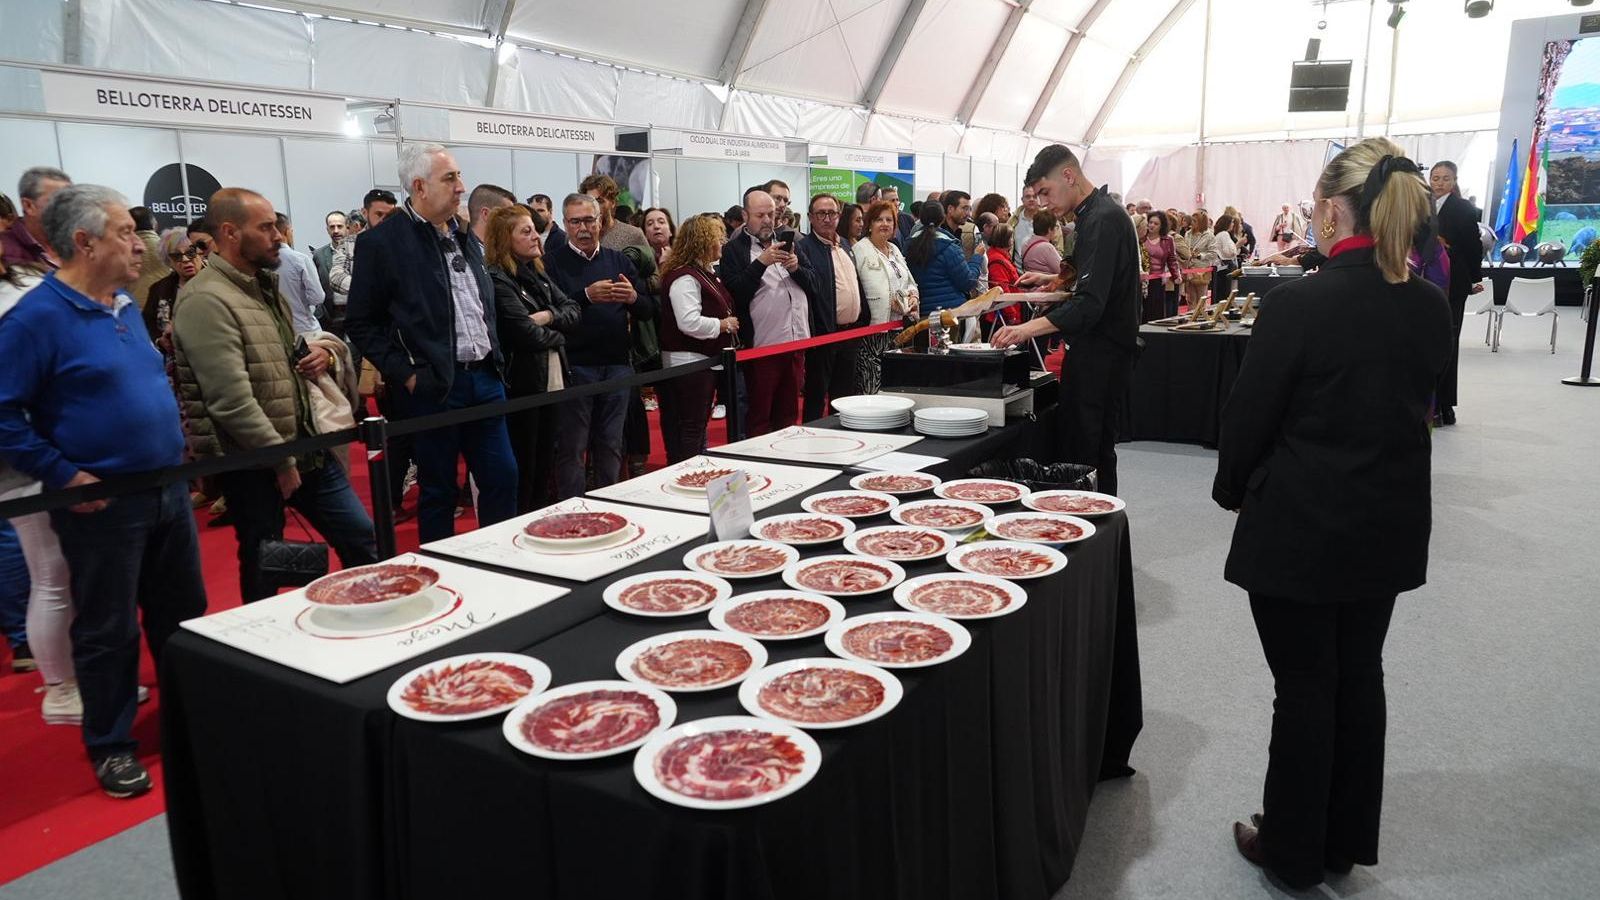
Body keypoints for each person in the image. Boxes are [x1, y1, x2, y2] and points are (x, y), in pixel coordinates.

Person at [1214, 138, 1452, 890]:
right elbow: (1426, 405)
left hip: (1302, 528)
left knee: (1306, 687)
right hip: (1384, 525)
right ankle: (1340, 842)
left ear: (1327, 208)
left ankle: (1290, 849)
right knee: (1358, 677)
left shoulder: (1300, 303)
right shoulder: (1427, 303)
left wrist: (1231, 489)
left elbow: (1248, 420)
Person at [0, 184, 207, 797]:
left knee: (181, 614)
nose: (139, 243)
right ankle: (111, 743)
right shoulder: (35, 319)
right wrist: (62, 473)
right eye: (124, 232)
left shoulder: (121, 304)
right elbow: (3, 413)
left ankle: (190, 720)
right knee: (107, 627)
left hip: (166, 488)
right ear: (84, 242)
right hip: (102, 500)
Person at [173, 190, 376, 603]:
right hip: (256, 462)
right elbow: (230, 400)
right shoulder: (206, 300)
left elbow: (280, 359)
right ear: (230, 232)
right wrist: (281, 461)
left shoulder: (260, 286)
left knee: (362, 540)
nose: (278, 236)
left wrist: (322, 354)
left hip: (302, 446)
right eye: (265, 228)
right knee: (266, 562)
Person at [345, 144, 518, 542]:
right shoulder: (382, 243)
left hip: (486, 378)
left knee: (502, 477)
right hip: (434, 387)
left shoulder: (465, 236)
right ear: (420, 186)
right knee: (438, 489)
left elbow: (479, 302)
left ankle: (500, 563)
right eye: (451, 178)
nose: (462, 187)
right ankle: (444, 573)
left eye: (458, 176)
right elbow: (361, 322)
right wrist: (406, 374)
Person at [992, 145, 1140, 496]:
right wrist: (1052, 281)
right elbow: (1090, 274)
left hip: (1102, 354)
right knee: (1093, 446)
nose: (1043, 203)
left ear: (1069, 176)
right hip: (1102, 351)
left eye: (1045, 192)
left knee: (1086, 450)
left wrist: (1024, 330)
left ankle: (1092, 527)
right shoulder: (1093, 216)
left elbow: (1090, 304)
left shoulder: (1103, 218)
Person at [1, 256, 79, 724]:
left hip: (55, 445)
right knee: (50, 574)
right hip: (20, 458)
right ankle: (60, 688)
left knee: (67, 572)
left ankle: (75, 676)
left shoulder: (26, 277)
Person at [543, 193, 656, 497]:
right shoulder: (551, 262)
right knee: (573, 446)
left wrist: (633, 298)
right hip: (576, 368)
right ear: (565, 224)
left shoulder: (617, 259)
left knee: (611, 442)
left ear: (600, 222)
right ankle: (572, 508)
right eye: (575, 221)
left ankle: (609, 503)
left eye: (589, 220)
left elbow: (647, 309)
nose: (583, 227)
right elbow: (551, 314)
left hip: (618, 365)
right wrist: (586, 296)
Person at [485, 205, 580, 512]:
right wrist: (557, 331)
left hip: (552, 380)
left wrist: (547, 316)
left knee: (545, 462)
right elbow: (524, 333)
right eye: (525, 232)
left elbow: (573, 310)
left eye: (535, 230)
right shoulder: (499, 280)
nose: (535, 237)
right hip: (523, 385)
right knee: (526, 464)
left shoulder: (538, 274)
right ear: (504, 239)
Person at [720, 187, 819, 436]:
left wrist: (797, 268)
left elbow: (815, 286)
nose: (767, 221)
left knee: (788, 413)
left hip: (796, 342)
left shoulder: (790, 242)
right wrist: (761, 263)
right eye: (760, 215)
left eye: (771, 214)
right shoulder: (734, 250)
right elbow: (737, 293)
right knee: (760, 414)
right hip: (763, 346)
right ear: (745, 215)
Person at [581, 174, 656, 479]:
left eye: (599, 199)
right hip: (588, 336)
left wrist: (631, 288)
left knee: (630, 406)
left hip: (628, 333)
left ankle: (635, 460)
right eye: (588, 199)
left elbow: (654, 279)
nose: (594, 206)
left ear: (611, 200)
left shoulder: (632, 234)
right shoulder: (577, 236)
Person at [658, 215, 739, 462]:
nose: (722, 243)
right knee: (690, 425)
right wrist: (722, 325)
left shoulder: (701, 273)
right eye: (718, 238)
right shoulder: (685, 277)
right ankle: (687, 471)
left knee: (695, 424)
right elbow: (688, 322)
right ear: (703, 242)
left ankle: (694, 467)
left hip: (700, 359)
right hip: (689, 361)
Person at [796, 193, 864, 421]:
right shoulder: (803, 248)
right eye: (821, 213)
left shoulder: (845, 244)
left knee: (844, 396)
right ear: (810, 217)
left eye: (832, 213)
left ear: (839, 215)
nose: (827, 218)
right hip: (824, 335)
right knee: (816, 395)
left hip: (851, 332)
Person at [1430, 160, 1485, 426]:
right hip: (1424, 281)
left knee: (1448, 342)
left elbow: (1474, 248)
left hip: (1454, 283)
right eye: (1436, 178)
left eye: (1445, 178)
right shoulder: (1420, 206)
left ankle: (1444, 405)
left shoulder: (1464, 209)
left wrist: (1475, 279)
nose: (1440, 183)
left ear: (1454, 181)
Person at [853, 200, 919, 393]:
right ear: (869, 224)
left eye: (889, 220)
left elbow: (910, 282)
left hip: (899, 327)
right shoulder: (860, 249)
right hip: (874, 329)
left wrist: (913, 296)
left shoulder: (895, 249)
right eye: (879, 219)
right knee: (871, 383)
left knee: (894, 382)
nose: (885, 224)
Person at [905, 201, 981, 314]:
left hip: (921, 313)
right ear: (942, 218)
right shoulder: (949, 247)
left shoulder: (907, 247)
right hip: (950, 314)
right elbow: (968, 282)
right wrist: (977, 257)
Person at [2, 167, 71, 272]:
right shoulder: (5, 250)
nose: (70, 208)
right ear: (28, 206)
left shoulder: (80, 242)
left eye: (72, 200)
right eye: (59, 201)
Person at [271, 212, 327, 335]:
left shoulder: (258, 263)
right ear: (287, 231)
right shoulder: (300, 259)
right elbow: (317, 297)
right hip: (304, 328)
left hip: (276, 330)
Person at [1142, 211, 1183, 321]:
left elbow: (1172, 259)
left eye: (1156, 224)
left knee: (1156, 310)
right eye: (1150, 222)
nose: (1152, 225)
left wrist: (1176, 276)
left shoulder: (1168, 240)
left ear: (1162, 226)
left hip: (1158, 281)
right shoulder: (1142, 237)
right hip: (1142, 280)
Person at [126, 206, 169, 310]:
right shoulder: (170, 247)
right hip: (166, 307)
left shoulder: (122, 252)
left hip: (135, 309)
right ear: (155, 224)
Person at [312, 210, 345, 301]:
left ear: (347, 227)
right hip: (331, 312)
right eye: (332, 227)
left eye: (339, 226)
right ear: (327, 230)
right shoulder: (319, 255)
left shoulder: (359, 251)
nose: (336, 231)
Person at [1021, 211, 1065, 277]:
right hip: (1046, 285)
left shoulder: (1026, 244)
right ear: (1050, 229)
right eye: (1056, 227)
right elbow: (1063, 271)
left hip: (1030, 285)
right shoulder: (1047, 248)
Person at [1212, 214, 1239, 303]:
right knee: (1225, 291)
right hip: (1226, 266)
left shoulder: (1219, 234)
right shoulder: (1224, 234)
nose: (1233, 224)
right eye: (1231, 222)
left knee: (1220, 290)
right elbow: (1229, 252)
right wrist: (1238, 246)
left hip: (1221, 265)